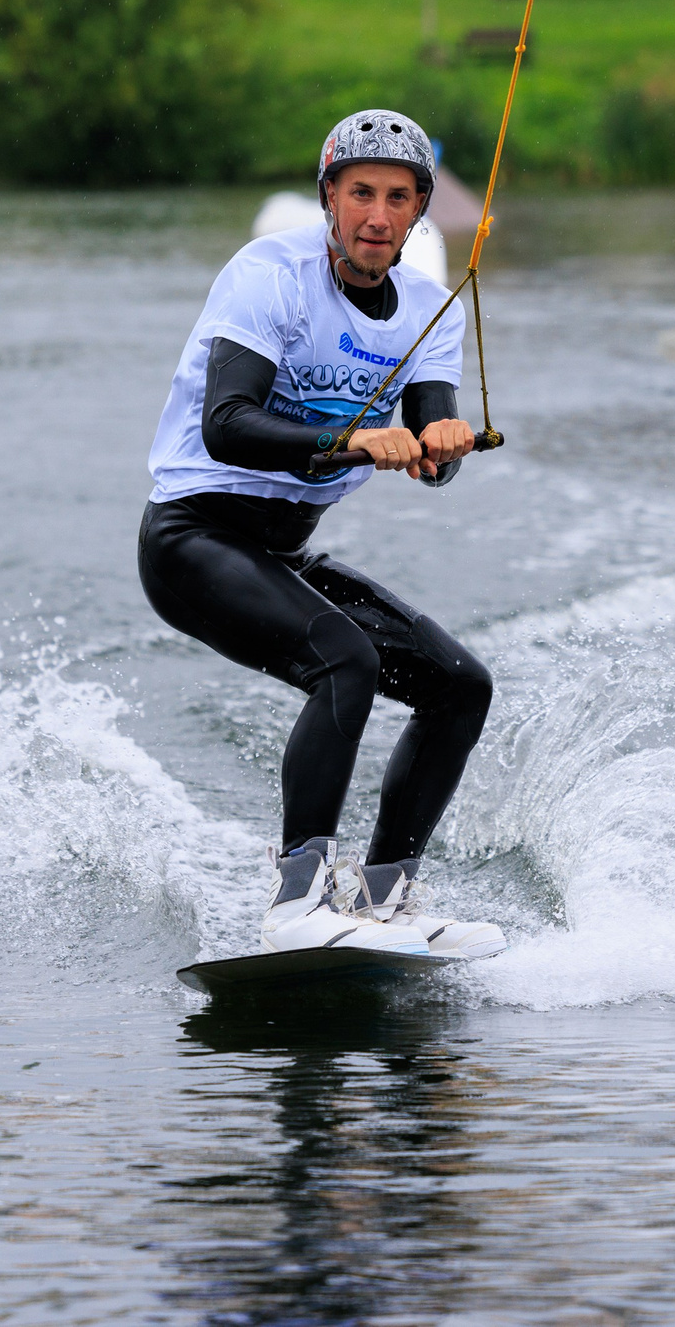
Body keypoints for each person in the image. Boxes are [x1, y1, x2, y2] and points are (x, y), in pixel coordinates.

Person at [139, 109, 505, 960]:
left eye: (399, 199)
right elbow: (227, 424)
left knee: (460, 685)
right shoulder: (269, 274)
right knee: (347, 658)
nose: (378, 216)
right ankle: (298, 897)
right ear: (328, 199)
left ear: (419, 213)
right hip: (194, 535)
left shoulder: (428, 308)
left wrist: (442, 448)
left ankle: (383, 900)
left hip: (284, 550)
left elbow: (430, 436)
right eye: (360, 194)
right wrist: (347, 440)